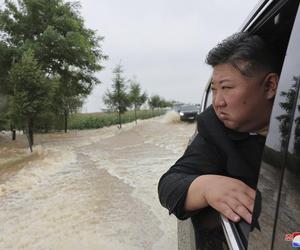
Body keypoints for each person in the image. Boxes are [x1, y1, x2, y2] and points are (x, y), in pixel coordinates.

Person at [158, 32, 280, 226]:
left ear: (269, 86)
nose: (217, 102)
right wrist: (206, 186)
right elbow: (169, 185)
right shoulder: (215, 128)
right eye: (214, 89)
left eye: (227, 88)